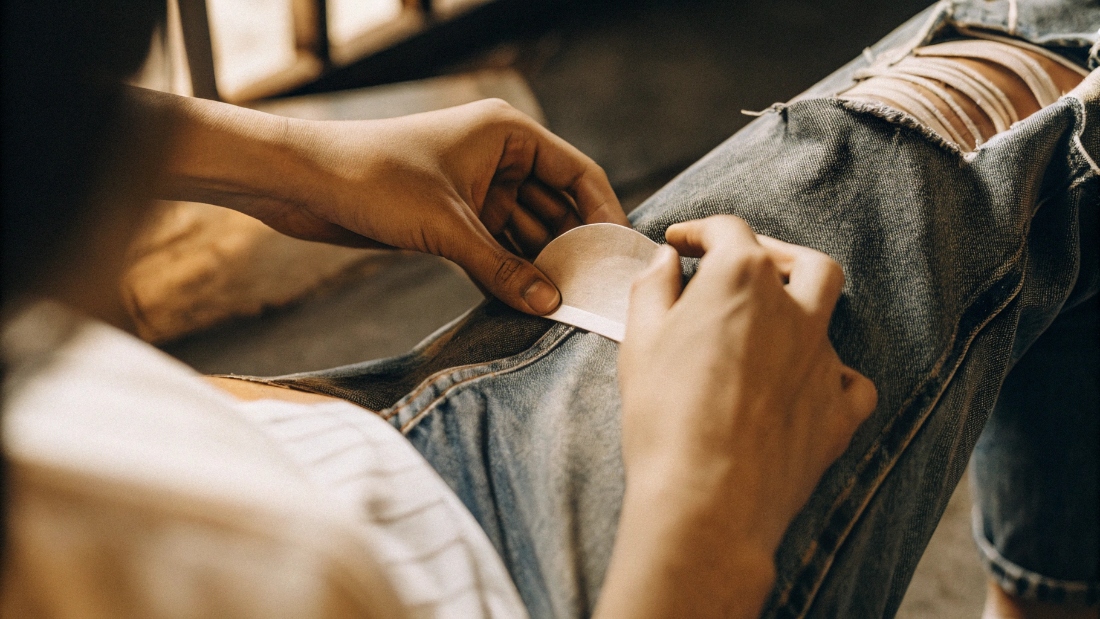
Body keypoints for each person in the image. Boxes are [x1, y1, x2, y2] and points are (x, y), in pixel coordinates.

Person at [1, 2, 1096, 619]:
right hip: (585, 577)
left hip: (298, 444)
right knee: (1054, 47)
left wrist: (284, 157)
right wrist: (703, 526)